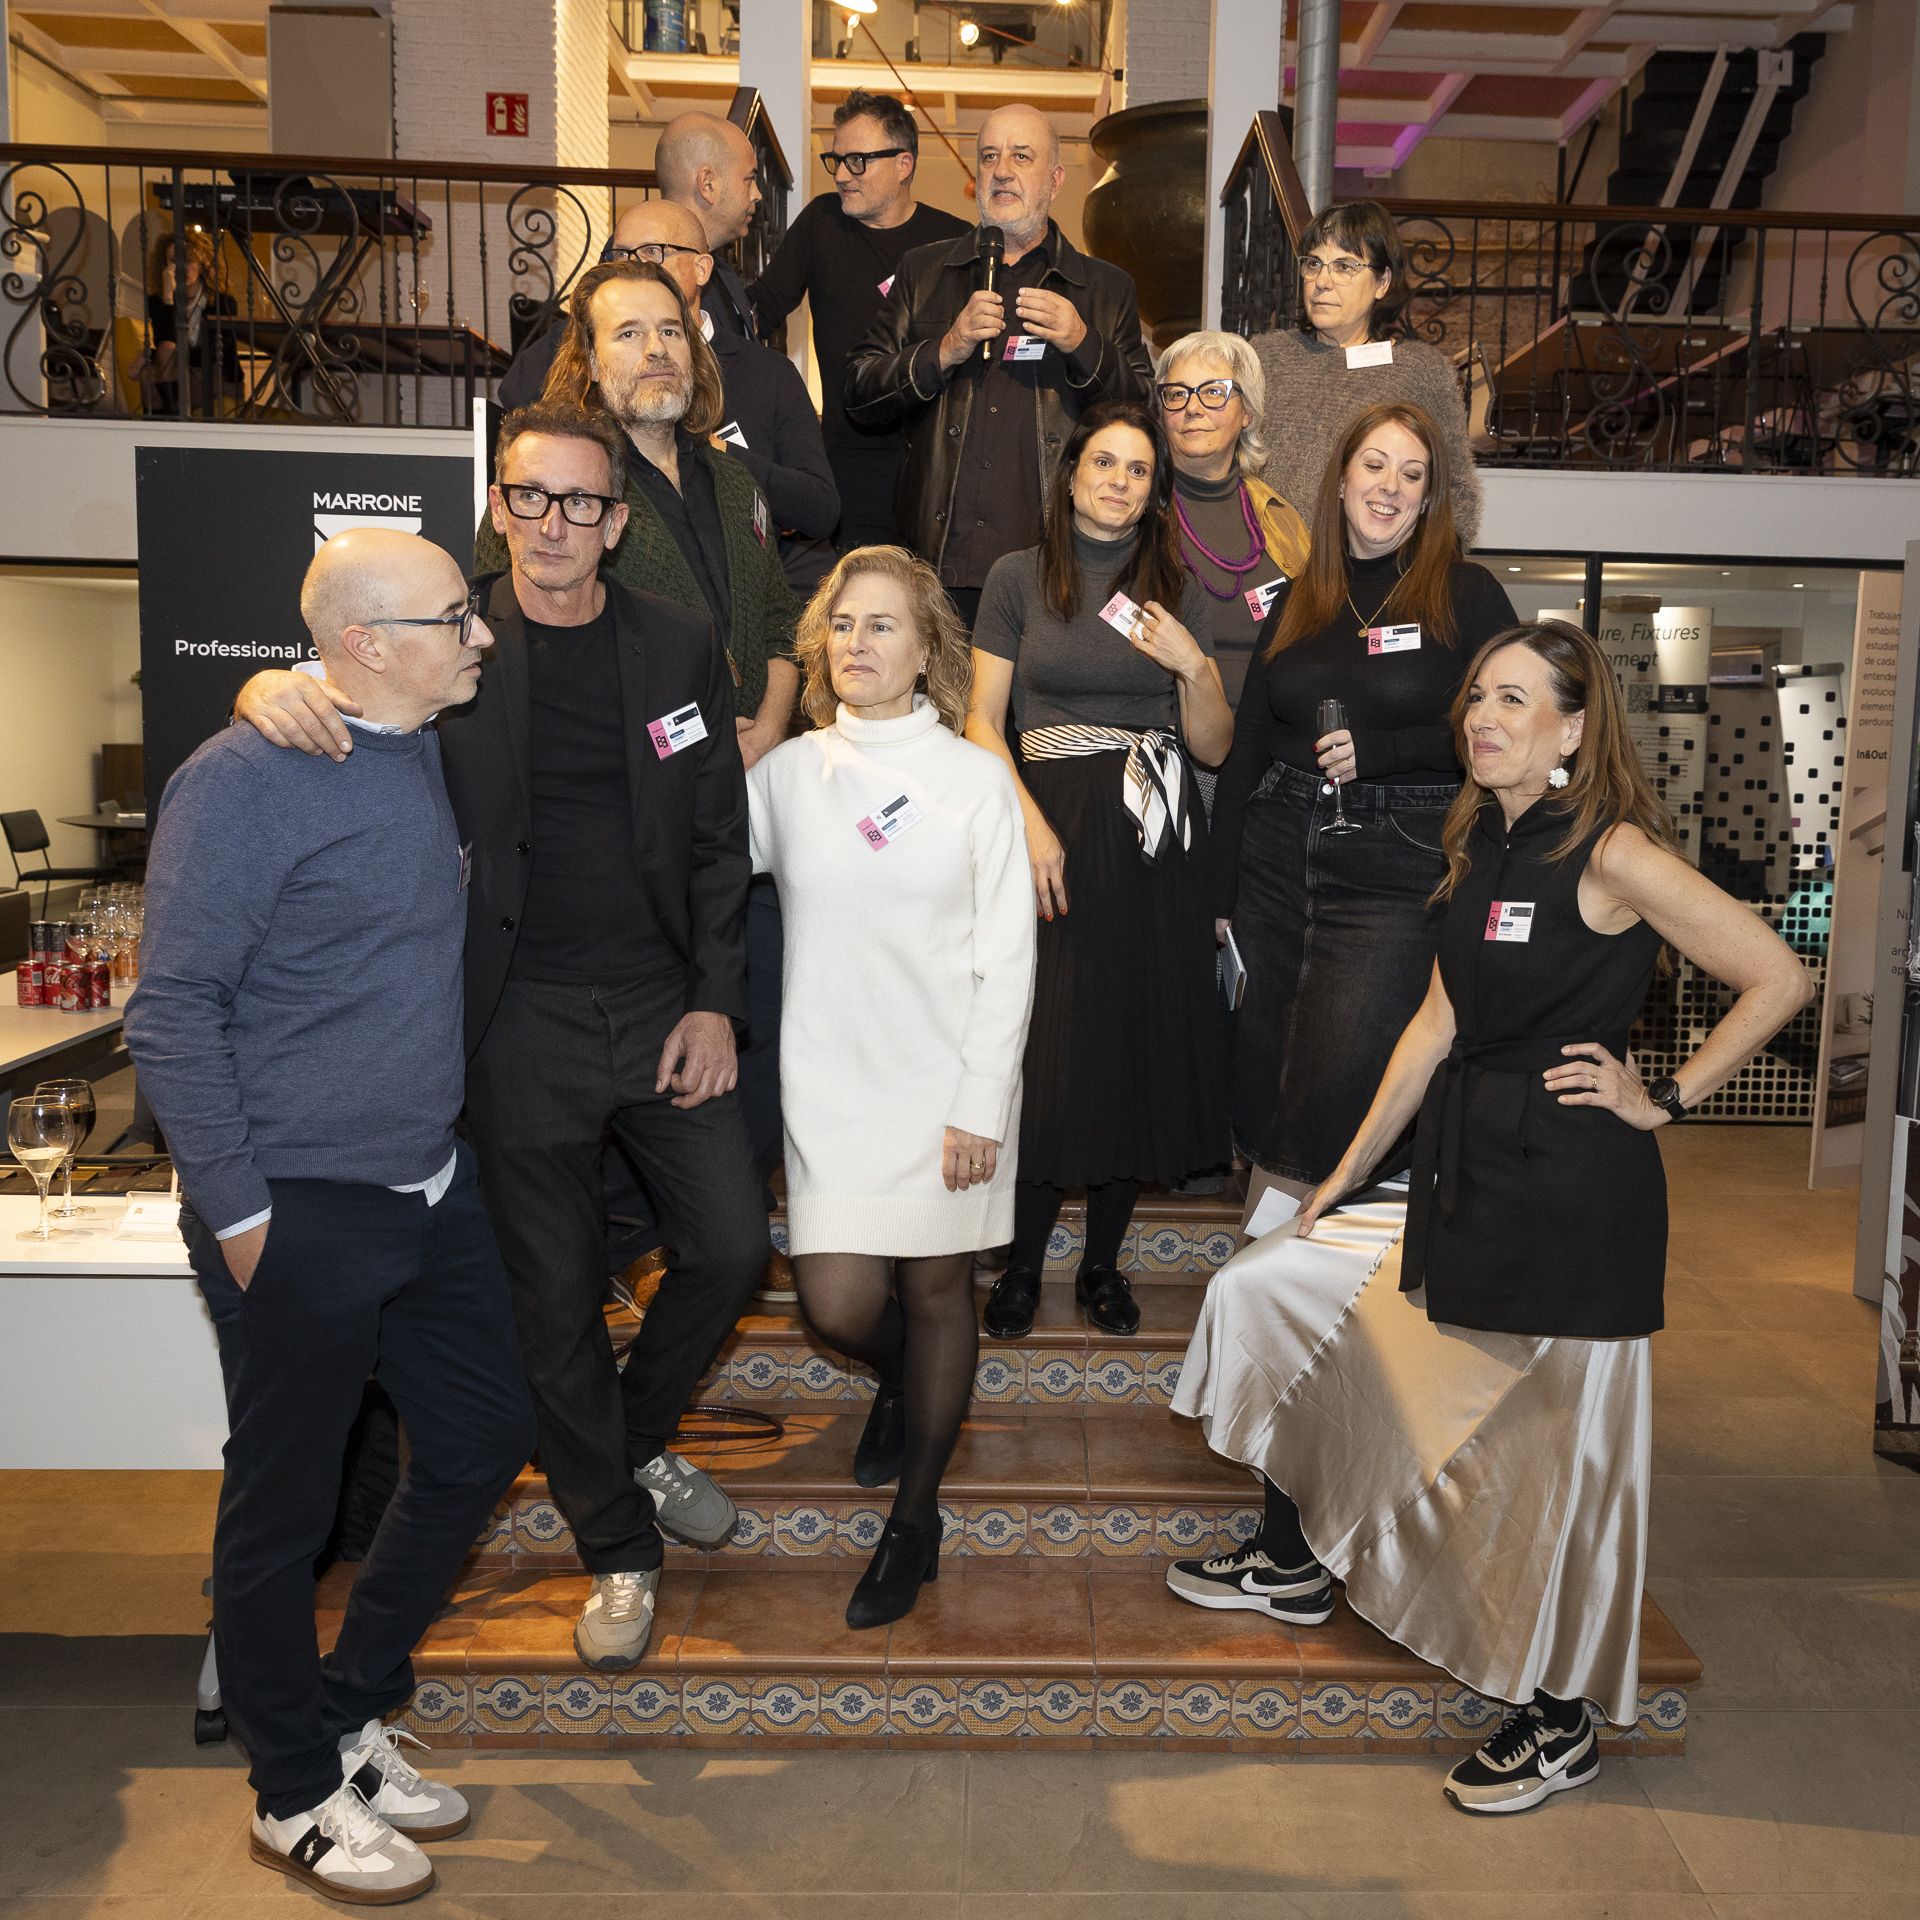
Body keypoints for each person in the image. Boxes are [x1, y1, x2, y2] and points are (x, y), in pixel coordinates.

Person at [1169, 619, 1812, 1814]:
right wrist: (1338, 1182)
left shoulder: (1614, 852)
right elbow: (1432, 1030)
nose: (1483, 717)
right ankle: (1307, 1553)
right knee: (1273, 1280)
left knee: (1561, 1468)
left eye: (1515, 700)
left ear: (1573, 729)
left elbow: (1779, 974)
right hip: (1467, 1165)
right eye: (1477, 695)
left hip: (1572, 1191)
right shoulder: (1476, 842)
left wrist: (1664, 1098)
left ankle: (1561, 1721)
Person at [233, 404, 769, 1674]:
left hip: (661, 1003)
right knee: (553, 1298)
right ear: (498, 508)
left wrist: (715, 999)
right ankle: (618, 1545)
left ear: (617, 522)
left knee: (732, 1246)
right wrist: (265, 686)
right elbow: (340, 682)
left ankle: (626, 1440)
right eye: (531, 497)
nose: (555, 526)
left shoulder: (680, 641)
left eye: (582, 503)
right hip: (513, 1014)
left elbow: (716, 837)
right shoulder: (448, 637)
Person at [126, 529, 538, 1903]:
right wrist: (241, 1214)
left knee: (480, 1438)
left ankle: (349, 1712)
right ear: (366, 643)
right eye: (454, 617)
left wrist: (280, 682)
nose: (480, 634)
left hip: (427, 1185)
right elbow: (171, 1010)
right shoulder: (241, 778)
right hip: (295, 1201)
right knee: (285, 1510)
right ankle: (290, 1792)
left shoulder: (432, 744)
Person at [748, 545, 1034, 1627]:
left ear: (926, 653)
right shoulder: (788, 776)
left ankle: (915, 1520)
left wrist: (980, 1102)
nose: (855, 643)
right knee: (839, 1303)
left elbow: (1008, 958)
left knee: (935, 1292)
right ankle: (906, 1381)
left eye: (881, 626)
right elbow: (690, 855)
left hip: (946, 1083)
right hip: (828, 1083)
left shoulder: (974, 781)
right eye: (841, 623)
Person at [477, 260, 802, 1192]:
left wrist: (767, 727)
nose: (658, 349)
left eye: (671, 330)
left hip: (742, 793)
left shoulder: (734, 479)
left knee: (734, 1028)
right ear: (585, 357)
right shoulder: (556, 485)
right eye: (628, 333)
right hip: (619, 841)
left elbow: (779, 622)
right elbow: (487, 626)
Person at [1212, 402, 1517, 1233]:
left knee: (1336, 1073)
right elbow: (1249, 742)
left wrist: (1385, 751)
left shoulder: (1467, 593)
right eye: (1375, 466)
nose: (1390, 486)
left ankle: (1264, 1266)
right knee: (1262, 1066)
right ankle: (1270, 1263)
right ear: (1342, 479)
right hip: (1276, 854)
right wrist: (1219, 890)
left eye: (1412, 474)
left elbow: (1507, 727)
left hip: (1398, 858)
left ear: (1430, 497)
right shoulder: (1298, 597)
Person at [966, 399, 1229, 1340]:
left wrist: (1195, 667)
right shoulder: (1017, 576)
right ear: (1071, 474)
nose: (1120, 481)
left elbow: (1213, 746)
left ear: (1156, 493)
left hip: (1154, 839)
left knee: (1132, 1046)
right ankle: (1022, 1263)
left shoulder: (1178, 588)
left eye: (1139, 470)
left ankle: (1103, 1266)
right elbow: (981, 723)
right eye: (1105, 462)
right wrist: (1030, 824)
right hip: (1049, 826)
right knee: (1050, 1047)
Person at [845, 103, 1153, 619]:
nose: (1002, 171)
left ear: (1055, 180)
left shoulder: (1104, 287)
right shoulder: (924, 271)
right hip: (937, 573)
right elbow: (859, 390)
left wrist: (1083, 342)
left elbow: (1144, 411)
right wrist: (945, 349)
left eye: (1021, 157)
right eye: (989, 157)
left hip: (1051, 572)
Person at [496, 199, 840, 595]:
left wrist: (721, 454)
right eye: (620, 254)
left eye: (653, 251)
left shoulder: (766, 377)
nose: (634, 265)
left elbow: (817, 511)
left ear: (702, 268)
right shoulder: (580, 382)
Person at [747, 90, 970, 550]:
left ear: (903, 164)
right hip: (846, 461)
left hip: (934, 464)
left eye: (858, 161)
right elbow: (761, 308)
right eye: (837, 160)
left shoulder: (952, 241)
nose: (842, 175)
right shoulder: (822, 223)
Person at [1253, 200, 1481, 546]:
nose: (1322, 281)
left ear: (1382, 282)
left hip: (1367, 569)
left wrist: (1431, 568)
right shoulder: (1264, 357)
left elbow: (1456, 490)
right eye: (1313, 263)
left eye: (1344, 266)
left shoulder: (1419, 372)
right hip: (1260, 563)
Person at [1156, 329, 1310, 716]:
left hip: (1276, 734)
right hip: (1173, 735)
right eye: (1177, 393)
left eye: (1214, 392)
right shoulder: (1137, 513)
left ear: (1247, 413)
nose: (1193, 408)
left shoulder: (1279, 516)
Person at [654, 109, 765, 341]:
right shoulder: (642, 266)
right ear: (708, 184)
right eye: (749, 180)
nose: (757, 194)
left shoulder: (722, 273)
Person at [134, 225, 240, 415]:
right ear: (164, 267)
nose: (181, 267)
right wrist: (168, 297)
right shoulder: (157, 302)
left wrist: (153, 354)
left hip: (214, 376)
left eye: (189, 260)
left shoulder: (223, 303)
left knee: (165, 353)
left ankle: (169, 425)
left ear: (202, 265)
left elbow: (215, 352)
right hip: (178, 375)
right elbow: (163, 340)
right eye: (174, 261)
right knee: (147, 373)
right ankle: (172, 422)